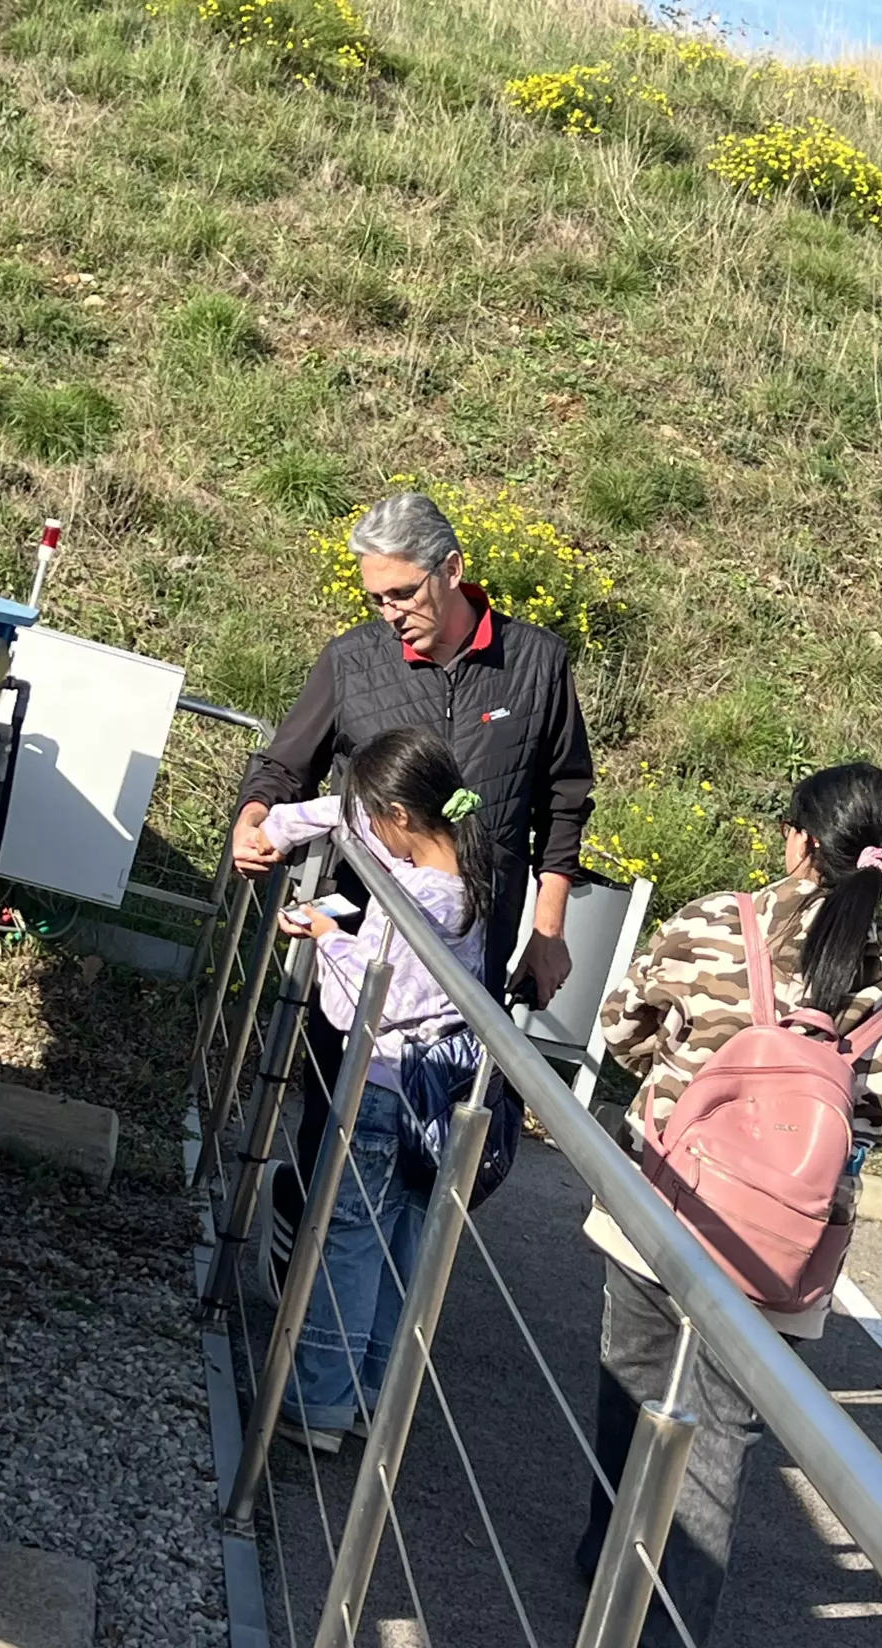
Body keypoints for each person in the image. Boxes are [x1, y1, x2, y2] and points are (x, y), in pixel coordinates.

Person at [577, 762, 882, 1648]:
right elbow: (881, 1117)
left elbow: (622, 1032)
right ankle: (664, 1641)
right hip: (788, 1243)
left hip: (667, 1203)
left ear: (799, 840)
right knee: (721, 1428)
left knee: (632, 1378)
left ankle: (603, 1564)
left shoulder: (714, 924)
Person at [230, 490, 594, 1291]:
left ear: (453, 571)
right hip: (362, 949)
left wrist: (549, 927)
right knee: (341, 1122)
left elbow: (564, 801)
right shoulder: (352, 660)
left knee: (434, 1136)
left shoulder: (537, 663)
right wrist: (254, 819)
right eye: (377, 598)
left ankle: (375, 1321)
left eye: (403, 593)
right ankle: (309, 1291)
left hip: (476, 951)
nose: (390, 612)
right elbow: (285, 766)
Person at [259, 728, 492, 1454]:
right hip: (438, 1095)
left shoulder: (413, 896)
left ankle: (316, 1403)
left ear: (397, 816)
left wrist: (328, 934)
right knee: (399, 1249)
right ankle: (363, 1396)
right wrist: (287, 821)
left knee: (349, 1244)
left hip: (386, 1083)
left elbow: (369, 997)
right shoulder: (468, 882)